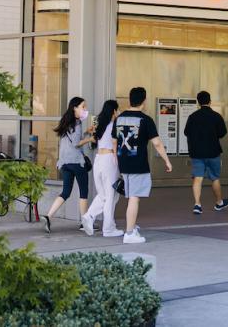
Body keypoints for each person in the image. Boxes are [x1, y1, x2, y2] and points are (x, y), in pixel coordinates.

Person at [113, 86, 172, 244]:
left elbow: (114, 142)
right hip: (138, 164)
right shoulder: (146, 120)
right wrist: (167, 160)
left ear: (130, 99)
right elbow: (157, 143)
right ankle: (129, 233)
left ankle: (131, 226)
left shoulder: (119, 119)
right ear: (143, 101)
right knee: (134, 198)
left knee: (131, 196)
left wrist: (117, 159)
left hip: (123, 163)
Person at [42, 96, 94, 233]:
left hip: (65, 163)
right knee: (83, 192)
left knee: (65, 192)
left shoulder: (66, 122)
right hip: (77, 162)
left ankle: (48, 216)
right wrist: (90, 138)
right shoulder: (76, 123)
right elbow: (76, 143)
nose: (85, 109)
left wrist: (86, 132)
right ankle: (84, 223)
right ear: (75, 108)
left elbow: (72, 139)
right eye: (83, 107)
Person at [81, 100, 124, 238]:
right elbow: (116, 145)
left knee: (104, 195)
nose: (118, 113)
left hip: (98, 159)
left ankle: (89, 215)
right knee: (111, 196)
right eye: (117, 110)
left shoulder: (100, 126)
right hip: (109, 160)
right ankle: (108, 229)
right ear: (113, 111)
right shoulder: (113, 126)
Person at [183, 90, 228, 214]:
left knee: (198, 178)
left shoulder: (193, 117)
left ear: (198, 102)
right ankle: (219, 203)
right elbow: (222, 133)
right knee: (215, 178)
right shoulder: (216, 116)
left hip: (197, 153)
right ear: (210, 101)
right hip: (213, 152)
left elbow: (186, 132)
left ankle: (197, 205)